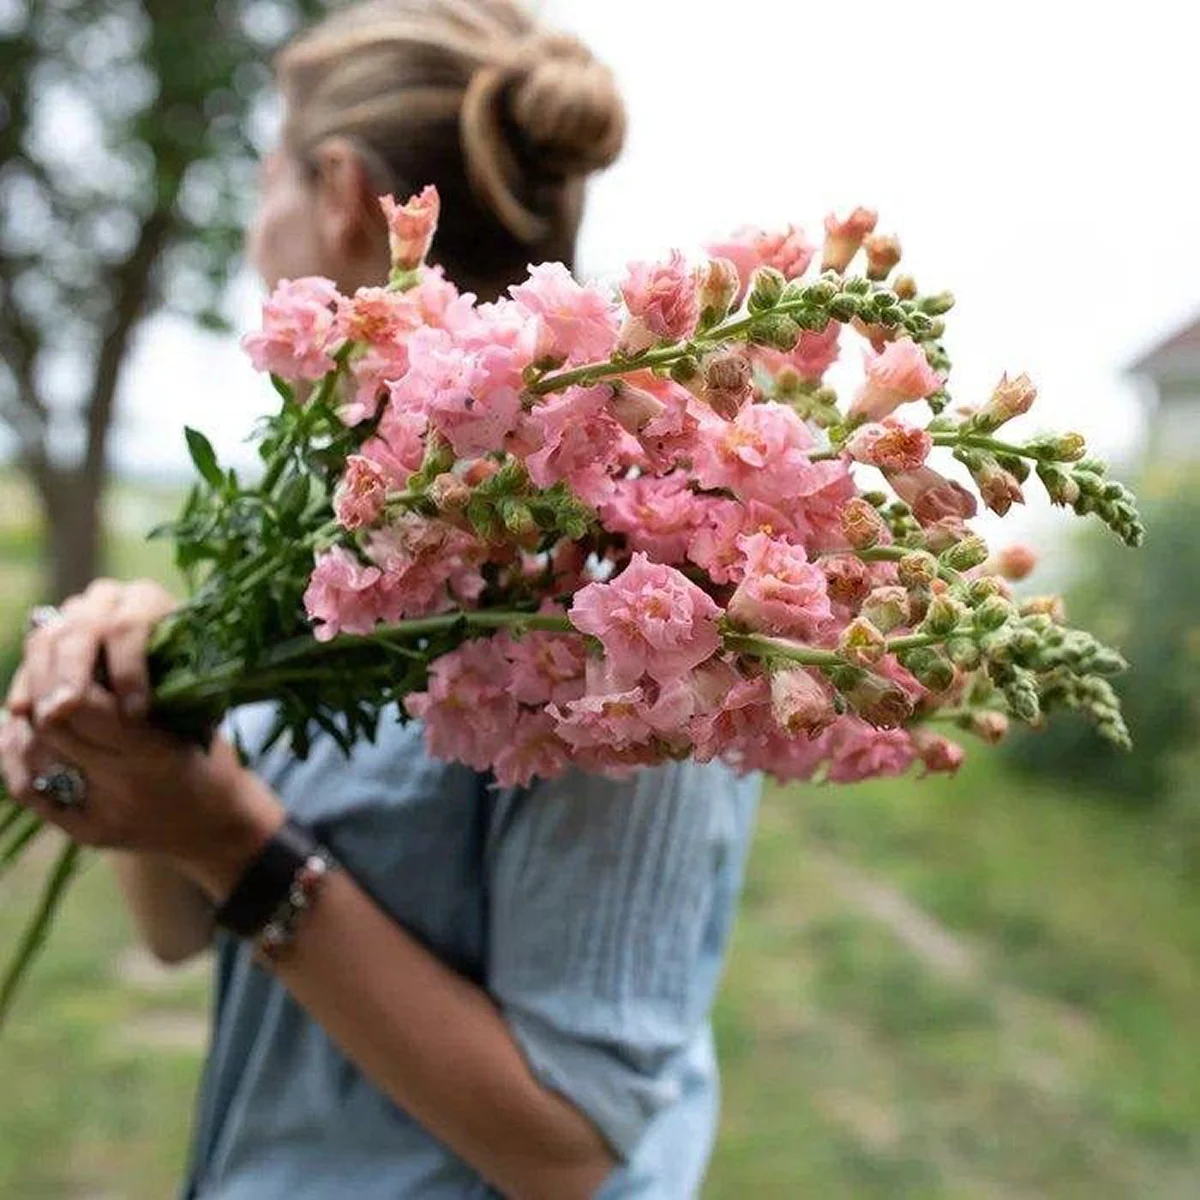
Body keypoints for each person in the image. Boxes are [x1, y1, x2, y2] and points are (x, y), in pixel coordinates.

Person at [0, 2, 761, 1196]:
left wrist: (228, 837)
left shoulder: (631, 588)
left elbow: (568, 1148)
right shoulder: (335, 515)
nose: (257, 232)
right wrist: (130, 712)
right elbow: (178, 924)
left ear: (341, 191)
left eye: (264, 179)